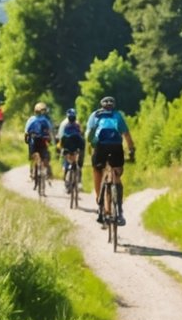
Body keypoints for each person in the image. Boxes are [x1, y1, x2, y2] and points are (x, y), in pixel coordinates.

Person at [85, 96, 135, 225]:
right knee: (117, 175)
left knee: (97, 170)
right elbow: (126, 135)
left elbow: (88, 136)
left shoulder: (95, 115)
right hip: (116, 147)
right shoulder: (118, 115)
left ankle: (100, 204)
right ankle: (119, 211)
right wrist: (131, 150)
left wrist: (92, 144)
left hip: (100, 147)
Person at [24, 102, 55, 182]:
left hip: (33, 141)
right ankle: (46, 172)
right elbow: (50, 130)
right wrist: (50, 140)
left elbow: (26, 131)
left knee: (33, 156)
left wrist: (26, 140)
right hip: (42, 141)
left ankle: (32, 173)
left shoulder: (31, 119)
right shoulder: (45, 120)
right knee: (44, 156)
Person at [57, 108, 86, 182]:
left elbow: (61, 136)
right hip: (76, 144)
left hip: (66, 145)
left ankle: (66, 175)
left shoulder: (64, 124)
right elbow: (81, 134)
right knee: (78, 160)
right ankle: (78, 178)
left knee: (66, 159)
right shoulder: (77, 124)